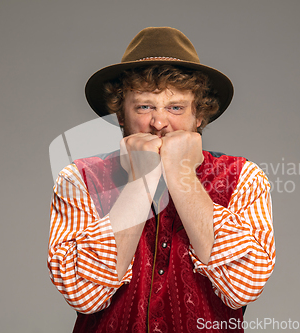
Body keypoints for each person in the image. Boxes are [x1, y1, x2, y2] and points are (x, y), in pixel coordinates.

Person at [48, 27, 275, 333]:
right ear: (120, 115)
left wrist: (181, 174)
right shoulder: (79, 179)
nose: (159, 122)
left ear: (199, 116)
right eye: (144, 106)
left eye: (175, 107)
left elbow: (242, 288)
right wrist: (141, 178)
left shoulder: (245, 177)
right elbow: (83, 295)